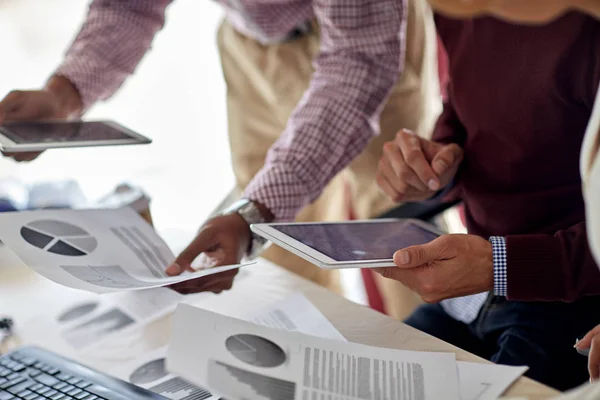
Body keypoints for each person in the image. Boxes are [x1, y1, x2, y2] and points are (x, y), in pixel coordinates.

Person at [0, 0, 440, 319]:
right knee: (280, 247)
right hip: (250, 45)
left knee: (400, 235)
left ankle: (442, 372)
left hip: (370, 43)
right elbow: (130, 6)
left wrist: (256, 211)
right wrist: (62, 95)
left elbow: (358, 60)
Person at [373, 1, 600, 391]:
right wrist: (436, 163)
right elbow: (465, 102)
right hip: (479, 285)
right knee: (368, 378)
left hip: (568, 291)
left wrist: (499, 264)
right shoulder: (457, 9)